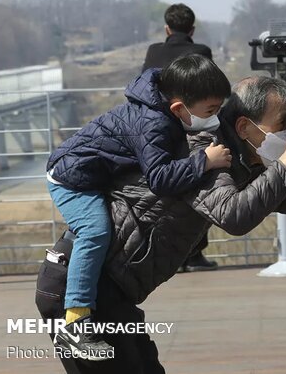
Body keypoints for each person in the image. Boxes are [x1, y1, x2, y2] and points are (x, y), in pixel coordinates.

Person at [36, 76, 286, 373]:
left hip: (111, 291)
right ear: (244, 126)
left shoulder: (240, 158)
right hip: (81, 292)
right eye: (283, 124)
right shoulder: (203, 152)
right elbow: (234, 216)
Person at [44, 54, 232, 359]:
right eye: (211, 110)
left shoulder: (164, 109)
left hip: (93, 174)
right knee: (94, 232)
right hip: (70, 178)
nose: (216, 116)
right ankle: (75, 322)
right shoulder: (153, 123)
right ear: (178, 108)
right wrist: (205, 161)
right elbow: (159, 178)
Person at [142, 2, 217, 272]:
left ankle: (163, 256)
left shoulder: (153, 51)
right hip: (192, 130)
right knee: (197, 187)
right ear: (192, 29)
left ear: (166, 28)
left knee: (161, 193)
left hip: (157, 130)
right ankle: (194, 255)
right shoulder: (200, 51)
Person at [142, 3, 212, 72]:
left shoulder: (154, 50)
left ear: (167, 30)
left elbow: (144, 80)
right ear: (192, 30)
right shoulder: (203, 52)